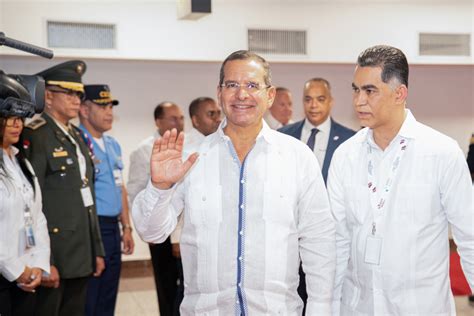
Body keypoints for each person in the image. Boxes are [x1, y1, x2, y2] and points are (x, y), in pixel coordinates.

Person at [132, 50, 336, 315]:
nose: (241, 95)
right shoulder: (192, 159)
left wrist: (320, 309)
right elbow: (152, 232)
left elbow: (319, 242)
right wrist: (159, 187)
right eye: (232, 85)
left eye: (252, 85)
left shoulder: (296, 157)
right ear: (220, 93)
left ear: (269, 95)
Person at [328, 45, 474, 315]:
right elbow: (336, 242)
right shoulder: (345, 156)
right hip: (359, 307)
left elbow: (470, 238)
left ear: (400, 94)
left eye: (369, 91)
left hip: (420, 308)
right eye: (355, 90)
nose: (358, 100)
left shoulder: (441, 152)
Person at [20, 60, 105, 316]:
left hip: (80, 250)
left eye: (78, 93)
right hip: (55, 252)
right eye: (68, 92)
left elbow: (87, 199)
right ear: (47, 96)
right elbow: (31, 202)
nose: (76, 98)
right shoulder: (36, 135)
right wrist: (44, 260)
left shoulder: (77, 136)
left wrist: (96, 251)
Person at [78, 84, 135, 316]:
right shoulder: (78, 142)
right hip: (91, 227)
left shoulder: (112, 145)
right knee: (90, 294)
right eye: (102, 106)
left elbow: (120, 187)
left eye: (110, 106)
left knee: (109, 292)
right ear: (83, 109)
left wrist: (127, 226)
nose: (109, 111)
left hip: (112, 227)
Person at [127, 101, 184, 316]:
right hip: (158, 225)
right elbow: (135, 190)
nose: (178, 122)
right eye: (173, 118)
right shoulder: (144, 149)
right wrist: (144, 228)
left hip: (183, 225)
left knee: (186, 283)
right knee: (166, 282)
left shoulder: (189, 144)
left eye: (180, 118)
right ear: (158, 121)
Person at [0, 88, 50, 316]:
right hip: (6, 275)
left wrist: (38, 264)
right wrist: (16, 269)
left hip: (26, 273)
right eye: (9, 119)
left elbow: (35, 216)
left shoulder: (21, 162)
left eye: (19, 119)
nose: (17, 124)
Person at [279, 78, 355, 183]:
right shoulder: (283, 135)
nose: (313, 105)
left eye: (320, 99)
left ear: (331, 102)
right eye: (308, 99)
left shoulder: (349, 139)